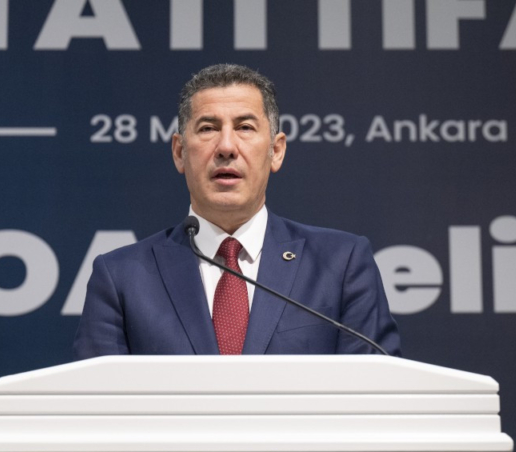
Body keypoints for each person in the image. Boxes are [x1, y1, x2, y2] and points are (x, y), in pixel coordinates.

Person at [73, 64, 400, 358]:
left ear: (276, 151)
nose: (226, 147)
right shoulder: (121, 277)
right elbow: (95, 400)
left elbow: (375, 393)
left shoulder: (340, 264)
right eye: (207, 128)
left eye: (244, 127)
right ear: (179, 152)